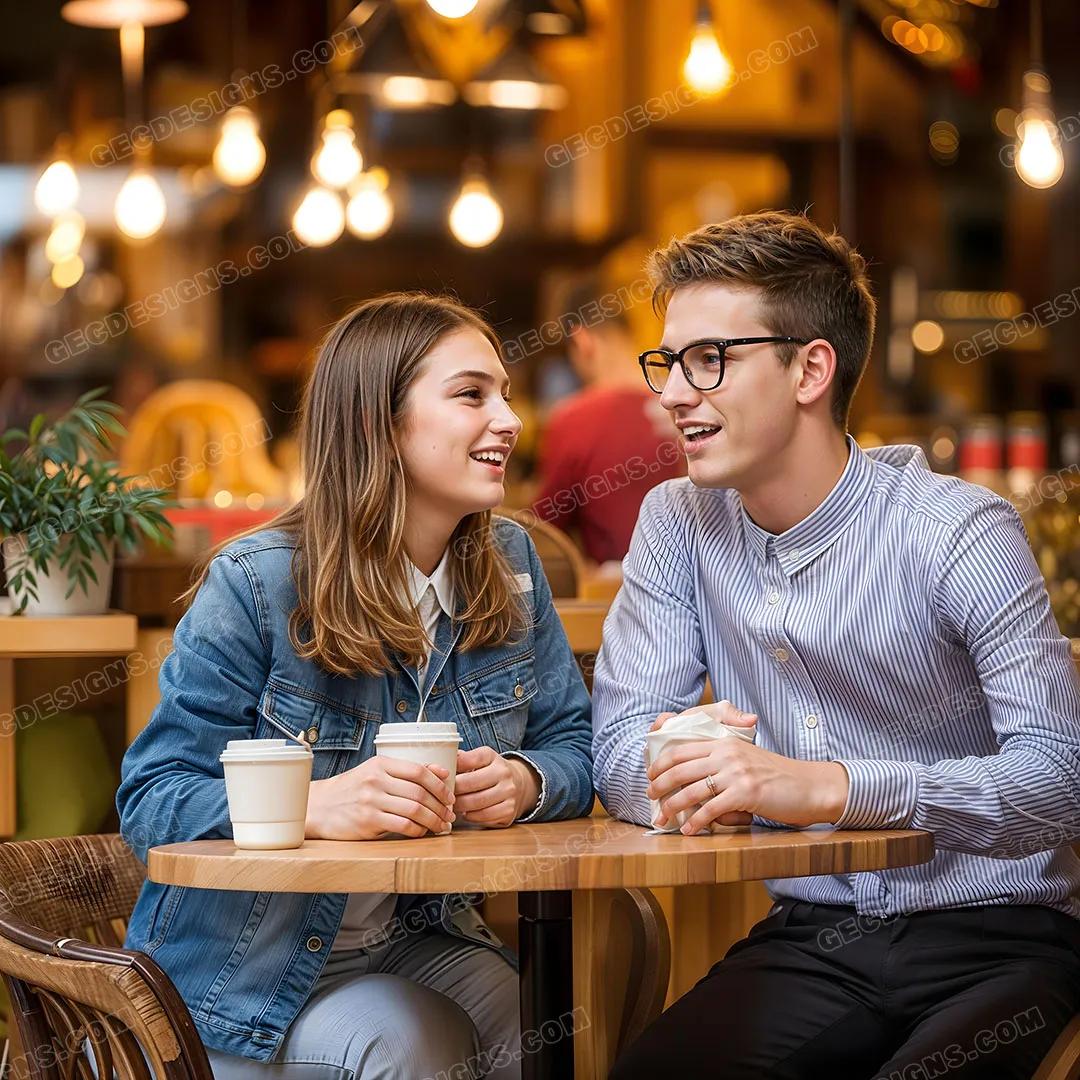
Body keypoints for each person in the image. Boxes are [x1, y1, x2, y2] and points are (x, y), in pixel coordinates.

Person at [593, 211, 1080, 1079]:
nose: (670, 392)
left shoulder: (958, 532)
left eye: (711, 359)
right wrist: (698, 779)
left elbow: (1057, 782)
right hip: (816, 940)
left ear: (811, 368)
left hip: (1001, 932)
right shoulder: (676, 522)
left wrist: (824, 788)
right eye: (668, 362)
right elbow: (620, 754)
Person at [117, 292, 594, 1080]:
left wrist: (524, 780)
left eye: (505, 394)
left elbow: (574, 747)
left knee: (538, 1024)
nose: (509, 419)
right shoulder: (258, 581)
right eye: (473, 394)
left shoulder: (508, 565)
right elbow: (151, 801)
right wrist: (312, 807)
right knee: (415, 1042)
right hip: (242, 979)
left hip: (416, 939)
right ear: (381, 422)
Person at [532, 276, 682, 566]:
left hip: (614, 596)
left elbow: (544, 532)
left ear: (582, 340)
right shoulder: (685, 402)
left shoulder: (573, 418)